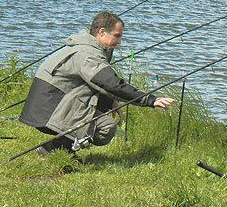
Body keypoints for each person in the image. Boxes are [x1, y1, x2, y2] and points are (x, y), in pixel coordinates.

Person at [19, 11, 174, 156]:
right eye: (117, 36)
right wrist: (150, 100)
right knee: (107, 128)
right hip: (47, 113)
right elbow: (112, 84)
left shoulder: (82, 44)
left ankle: (59, 146)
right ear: (102, 32)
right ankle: (56, 148)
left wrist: (112, 101)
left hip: (41, 109)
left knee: (103, 96)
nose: (119, 42)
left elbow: (101, 84)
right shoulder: (88, 55)